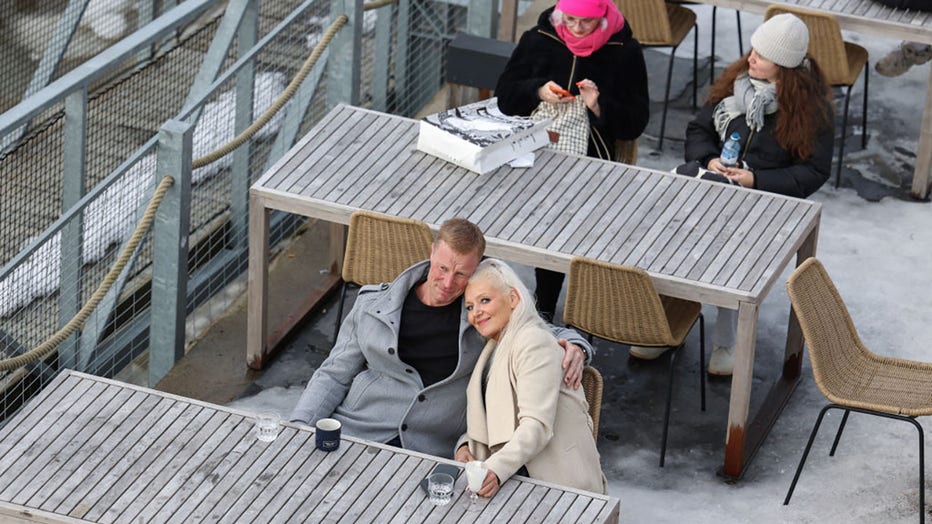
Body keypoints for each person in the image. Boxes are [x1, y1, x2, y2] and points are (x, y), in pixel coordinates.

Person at [633, 14, 834, 376]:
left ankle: (727, 340)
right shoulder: (735, 84)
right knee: (671, 235)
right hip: (713, 185)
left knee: (729, 256)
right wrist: (708, 158)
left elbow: (813, 172)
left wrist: (756, 180)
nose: (751, 57)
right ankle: (663, 324)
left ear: (785, 69)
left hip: (765, 203)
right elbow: (698, 129)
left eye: (763, 54)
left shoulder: (810, 111)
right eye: (753, 48)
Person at [290, 218, 593, 458]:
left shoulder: (482, 315)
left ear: (476, 270)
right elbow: (333, 375)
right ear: (432, 252)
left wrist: (577, 345)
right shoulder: (372, 305)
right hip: (359, 431)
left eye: (461, 275)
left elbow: (540, 329)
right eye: (443, 268)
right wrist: (299, 426)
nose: (448, 283)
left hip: (434, 449)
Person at [494, 0, 650, 321]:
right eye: (571, 20)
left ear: (603, 20)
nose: (576, 29)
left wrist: (598, 105)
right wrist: (538, 90)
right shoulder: (538, 39)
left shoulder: (625, 52)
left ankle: (547, 306)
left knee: (560, 220)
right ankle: (490, 294)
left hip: (590, 159)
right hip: (528, 148)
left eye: (587, 23)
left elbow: (634, 123)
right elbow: (506, 97)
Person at [454, 259, 606, 497]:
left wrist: (494, 469)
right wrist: (466, 444)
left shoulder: (534, 341)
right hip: (517, 479)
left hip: (558, 488)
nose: (476, 312)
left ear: (513, 298)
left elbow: (536, 426)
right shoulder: (493, 347)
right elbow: (497, 413)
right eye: (470, 307)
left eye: (485, 300)